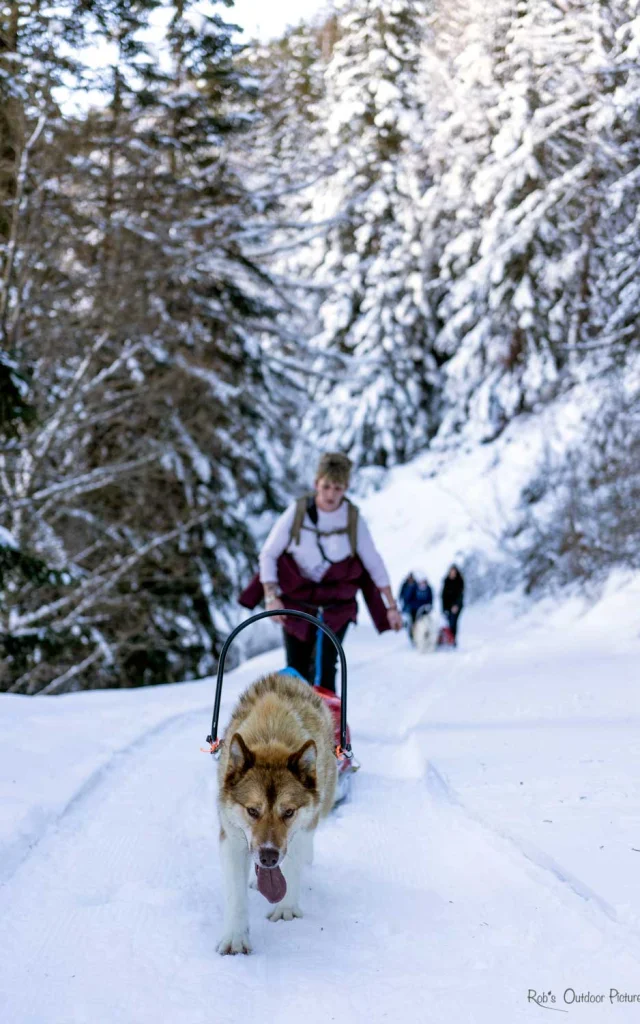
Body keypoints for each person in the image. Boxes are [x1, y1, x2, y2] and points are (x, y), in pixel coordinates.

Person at [239, 452, 402, 692]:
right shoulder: (297, 513)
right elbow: (269, 554)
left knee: (327, 665)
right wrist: (271, 597)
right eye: (326, 486)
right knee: (296, 667)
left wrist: (391, 606)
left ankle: (328, 721)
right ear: (316, 484)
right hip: (297, 601)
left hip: (337, 605)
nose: (331, 495)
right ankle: (294, 722)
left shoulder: (353, 519)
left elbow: (373, 564)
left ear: (345, 488)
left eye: (338, 488)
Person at [441, 564, 464, 643]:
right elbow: (443, 596)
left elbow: (460, 595)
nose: (452, 573)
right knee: (449, 623)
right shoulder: (446, 581)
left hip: (456, 606)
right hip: (447, 606)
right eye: (451, 572)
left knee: (453, 622)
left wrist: (456, 605)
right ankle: (449, 639)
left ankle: (453, 640)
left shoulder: (459, 581)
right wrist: (443, 608)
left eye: (454, 572)